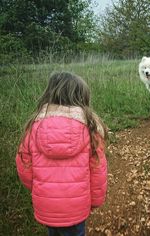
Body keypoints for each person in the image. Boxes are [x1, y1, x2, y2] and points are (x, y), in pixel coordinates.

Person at [16, 71, 108, 236]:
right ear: (82, 97)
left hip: (46, 206)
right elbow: (98, 170)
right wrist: (95, 201)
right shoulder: (91, 127)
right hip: (77, 208)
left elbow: (24, 166)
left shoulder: (34, 126)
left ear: (50, 93)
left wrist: (39, 188)